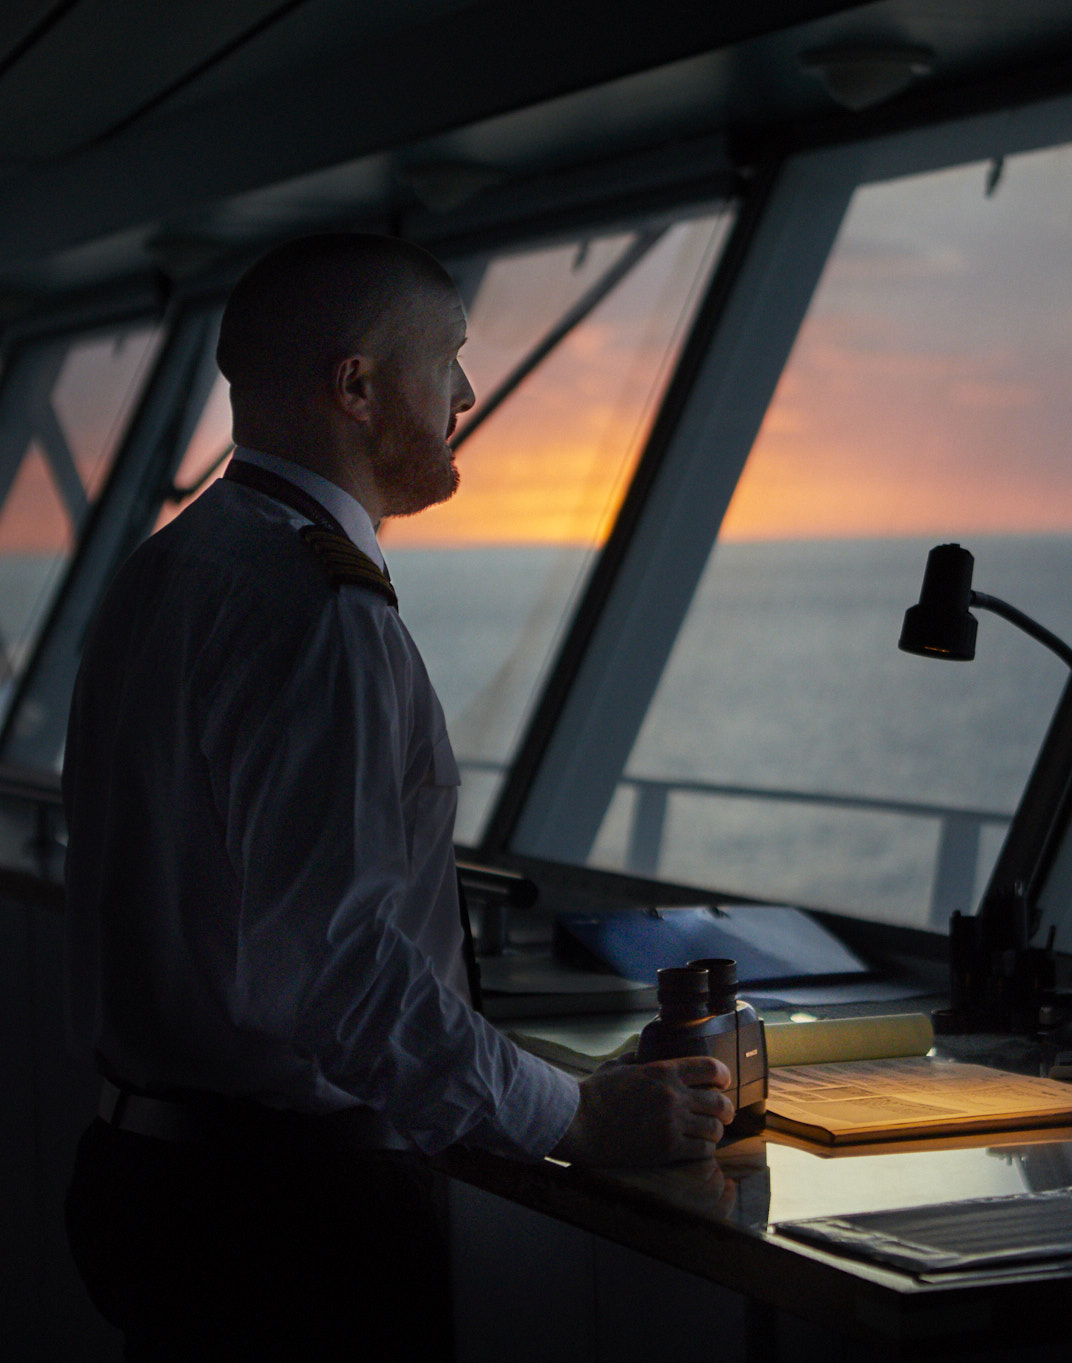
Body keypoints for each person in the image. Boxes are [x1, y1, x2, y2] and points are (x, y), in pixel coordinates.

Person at [62, 233, 734, 1361]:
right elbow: (340, 978)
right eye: (448, 359)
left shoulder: (168, 572)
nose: (467, 391)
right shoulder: (317, 610)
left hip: (153, 1179)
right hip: (285, 1225)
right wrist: (575, 1114)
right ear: (357, 385)